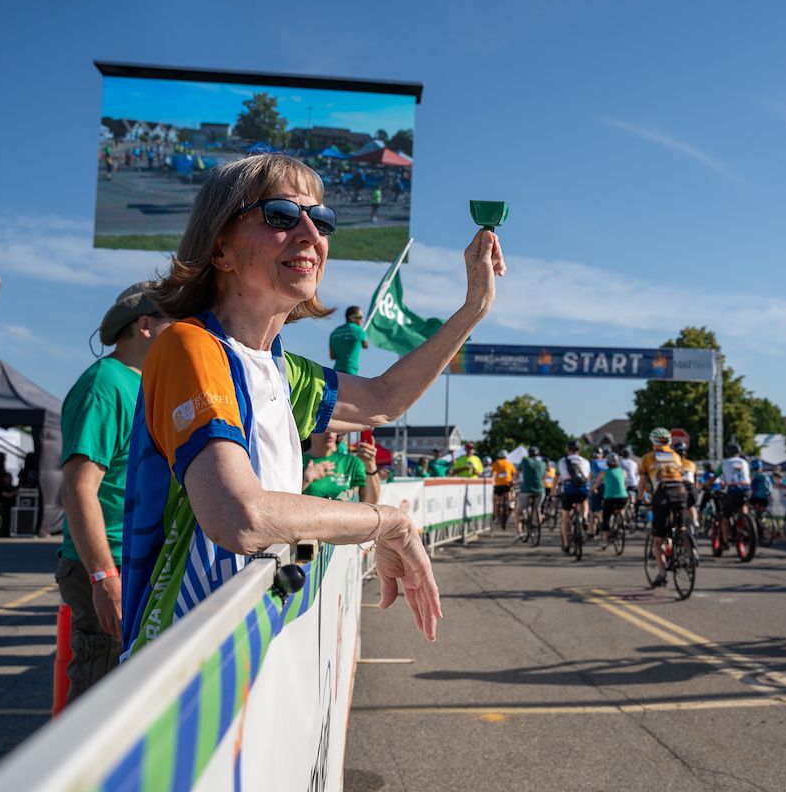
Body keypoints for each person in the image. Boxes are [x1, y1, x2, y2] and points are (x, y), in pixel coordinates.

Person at [120, 152, 505, 658]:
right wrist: (385, 520)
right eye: (280, 215)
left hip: (242, 649)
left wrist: (474, 307)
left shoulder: (279, 366)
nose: (311, 234)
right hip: (182, 670)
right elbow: (241, 514)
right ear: (220, 249)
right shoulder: (189, 346)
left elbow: (383, 401)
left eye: (322, 220)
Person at [57, 282, 172, 702]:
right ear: (145, 325)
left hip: (135, 563)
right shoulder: (104, 385)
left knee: (128, 696)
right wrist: (105, 578)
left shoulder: (143, 383)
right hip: (111, 569)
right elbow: (79, 487)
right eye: (173, 322)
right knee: (100, 700)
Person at [637, 427, 694, 587]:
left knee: (658, 539)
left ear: (653, 442)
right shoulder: (676, 456)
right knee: (680, 526)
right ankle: (685, 546)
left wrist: (639, 500)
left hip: (662, 494)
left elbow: (642, 483)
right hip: (681, 492)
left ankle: (662, 572)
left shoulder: (648, 458)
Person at [302, 431, 380, 503]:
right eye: (324, 427)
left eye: (333, 427)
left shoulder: (352, 463)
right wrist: (305, 480)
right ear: (309, 431)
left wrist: (370, 465)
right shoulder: (297, 461)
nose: (329, 432)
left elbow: (370, 502)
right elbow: (289, 503)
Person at [558, 441, 593, 553]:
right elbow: (588, 477)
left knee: (565, 518)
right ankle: (585, 517)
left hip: (568, 491)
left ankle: (567, 544)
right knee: (584, 501)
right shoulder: (585, 462)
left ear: (568, 450)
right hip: (582, 490)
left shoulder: (562, 461)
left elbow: (561, 477)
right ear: (579, 450)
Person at [718, 444, 751, 550]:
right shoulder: (745, 462)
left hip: (733, 490)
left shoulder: (724, 463)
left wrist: (706, 485)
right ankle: (746, 523)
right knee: (743, 504)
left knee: (725, 516)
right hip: (747, 489)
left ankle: (725, 541)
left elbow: (715, 476)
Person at [593, 452, 629, 547]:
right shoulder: (623, 472)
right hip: (623, 497)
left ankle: (605, 540)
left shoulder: (604, 473)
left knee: (606, 519)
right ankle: (621, 520)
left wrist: (593, 489)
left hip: (610, 498)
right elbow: (625, 485)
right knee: (622, 507)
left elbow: (596, 484)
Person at [517, 446, 546, 540]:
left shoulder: (524, 461)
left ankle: (519, 531)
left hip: (526, 490)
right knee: (537, 508)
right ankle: (537, 525)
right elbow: (543, 477)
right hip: (540, 490)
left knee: (519, 510)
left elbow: (518, 472)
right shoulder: (543, 463)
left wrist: (514, 480)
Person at [329, 306, 368, 375]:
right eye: (360, 317)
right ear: (352, 317)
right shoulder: (359, 331)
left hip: (336, 371)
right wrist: (362, 331)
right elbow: (366, 345)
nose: (362, 320)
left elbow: (332, 356)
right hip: (351, 371)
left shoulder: (334, 332)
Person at [490, 449, 517, 527]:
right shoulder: (509, 463)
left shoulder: (497, 463)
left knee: (496, 501)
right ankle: (510, 505)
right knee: (511, 496)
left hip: (498, 484)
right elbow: (514, 473)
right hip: (508, 484)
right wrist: (513, 480)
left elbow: (492, 472)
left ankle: (497, 517)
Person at [588, 447, 608, 537]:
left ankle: (591, 530)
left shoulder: (593, 462)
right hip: (606, 486)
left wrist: (590, 487)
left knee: (593, 510)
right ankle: (601, 523)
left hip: (596, 485)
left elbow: (591, 475)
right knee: (603, 508)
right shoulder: (606, 461)